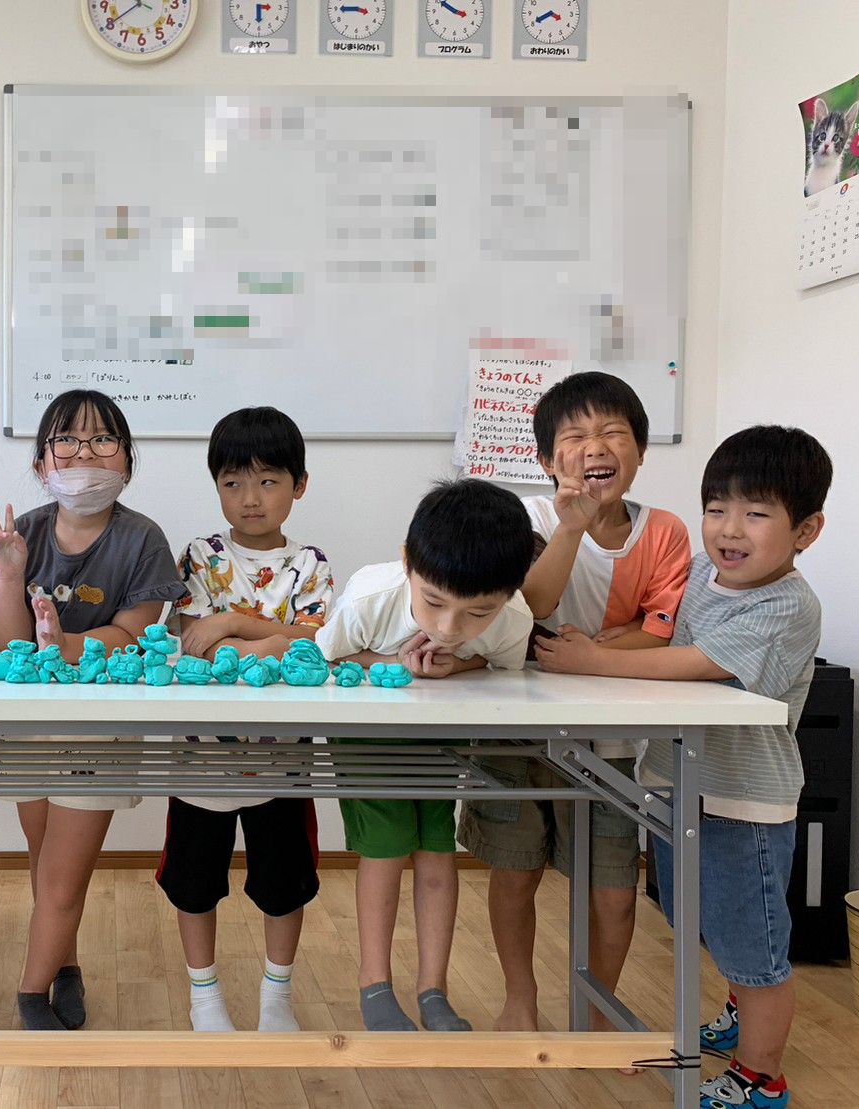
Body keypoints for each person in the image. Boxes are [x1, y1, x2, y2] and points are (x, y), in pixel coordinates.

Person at [537, 425, 831, 1109]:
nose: (729, 529)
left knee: (752, 941)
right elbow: (662, 625)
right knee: (694, 912)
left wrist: (596, 660)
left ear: (805, 530)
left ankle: (761, 1075)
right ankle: (737, 1008)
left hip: (741, 799)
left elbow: (698, 663)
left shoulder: (786, 604)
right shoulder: (704, 572)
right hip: (681, 782)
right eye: (716, 508)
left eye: (755, 513)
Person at [457, 371, 692, 1039]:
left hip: (612, 734)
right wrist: (569, 530)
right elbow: (523, 607)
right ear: (545, 459)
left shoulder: (665, 531)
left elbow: (662, 625)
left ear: (639, 452)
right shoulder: (527, 518)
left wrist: (592, 651)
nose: (597, 445)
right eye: (577, 435)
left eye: (613, 432)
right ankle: (519, 999)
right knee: (514, 869)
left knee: (614, 888)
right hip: (516, 724)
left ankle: (596, 1011)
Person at [0, 389, 187, 1031]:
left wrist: (60, 642)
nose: (84, 453)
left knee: (64, 878)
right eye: (67, 440)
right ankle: (64, 967)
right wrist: (10, 577)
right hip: (27, 723)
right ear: (42, 462)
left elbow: (131, 634)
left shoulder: (143, 538)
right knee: (45, 864)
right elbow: (4, 645)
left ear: (127, 458)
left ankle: (31, 994)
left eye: (102, 440)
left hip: (99, 725)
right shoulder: (25, 532)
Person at [316, 479, 534, 1034]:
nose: (447, 626)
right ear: (408, 562)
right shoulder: (370, 598)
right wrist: (391, 665)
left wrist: (457, 666)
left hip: (441, 736)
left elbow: (500, 669)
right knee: (385, 854)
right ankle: (374, 985)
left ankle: (433, 989)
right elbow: (319, 664)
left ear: (510, 593)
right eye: (433, 602)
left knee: (438, 853)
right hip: (370, 738)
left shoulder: (513, 619)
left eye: (477, 613)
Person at [157, 406, 334, 1032]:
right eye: (232, 483)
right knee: (193, 883)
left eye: (267, 481)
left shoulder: (310, 564)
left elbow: (316, 642)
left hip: (281, 759)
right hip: (202, 757)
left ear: (298, 485)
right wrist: (270, 640)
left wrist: (233, 623)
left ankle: (276, 994)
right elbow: (195, 642)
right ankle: (204, 994)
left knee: (285, 884)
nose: (250, 498)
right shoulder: (200, 556)